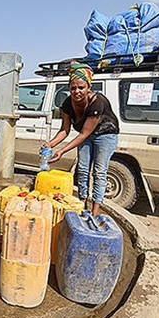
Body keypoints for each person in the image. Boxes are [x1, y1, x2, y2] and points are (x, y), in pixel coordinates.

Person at [44, 62, 119, 216]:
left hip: (105, 135)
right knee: (83, 169)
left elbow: (83, 134)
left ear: (88, 87)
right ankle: (82, 204)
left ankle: (95, 211)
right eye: (73, 88)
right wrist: (50, 144)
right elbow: (64, 130)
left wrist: (62, 151)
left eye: (81, 87)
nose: (76, 91)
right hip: (85, 135)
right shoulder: (67, 104)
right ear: (69, 88)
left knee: (99, 171)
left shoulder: (97, 102)